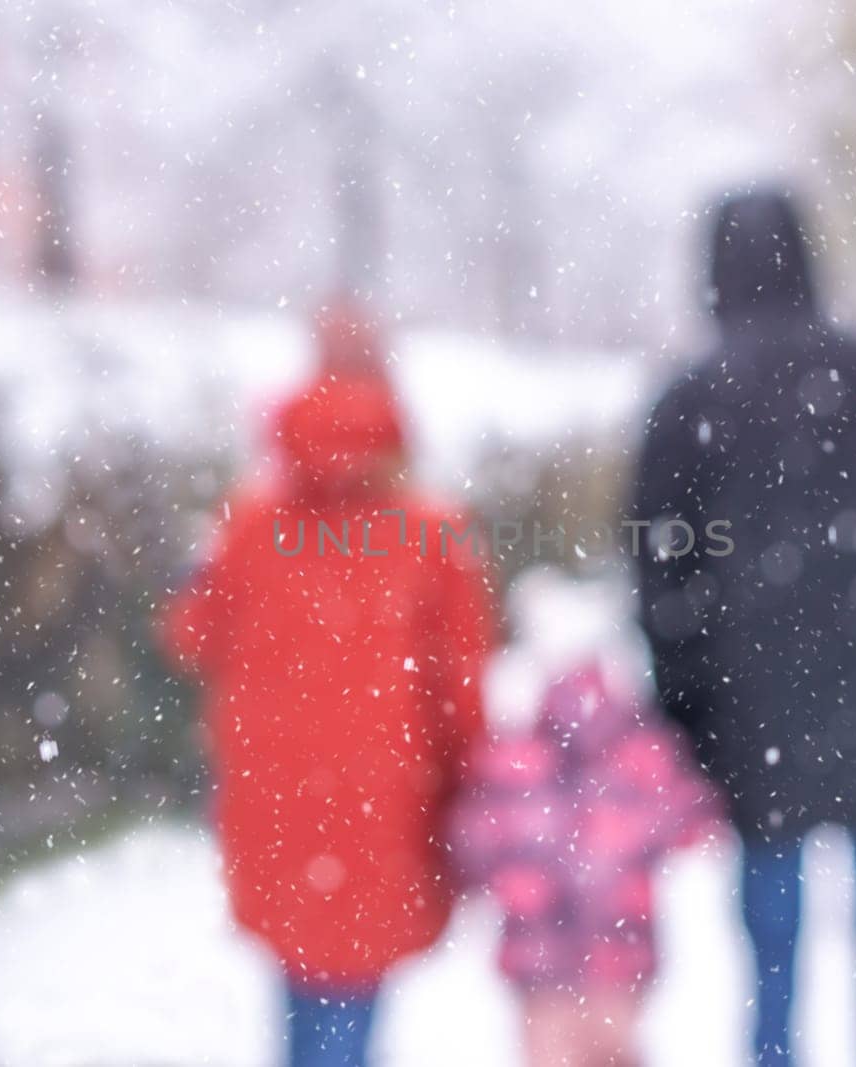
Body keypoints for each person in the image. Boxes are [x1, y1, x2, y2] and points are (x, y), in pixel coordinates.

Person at [632, 188, 856, 1067]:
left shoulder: (690, 400)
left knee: (772, 953)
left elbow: (659, 569)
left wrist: (682, 714)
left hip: (756, 735)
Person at [160, 302, 497, 1067]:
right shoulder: (430, 531)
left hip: (275, 800)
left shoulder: (252, 522)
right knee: (352, 995)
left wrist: (195, 570)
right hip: (389, 799)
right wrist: (470, 786)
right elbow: (462, 688)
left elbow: (191, 635)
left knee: (304, 987)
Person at [450, 663, 716, 1067]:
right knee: (612, 1053)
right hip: (617, 956)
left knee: (556, 1055)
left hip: (542, 961)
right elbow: (692, 819)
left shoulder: (515, 762)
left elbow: (470, 843)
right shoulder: (641, 757)